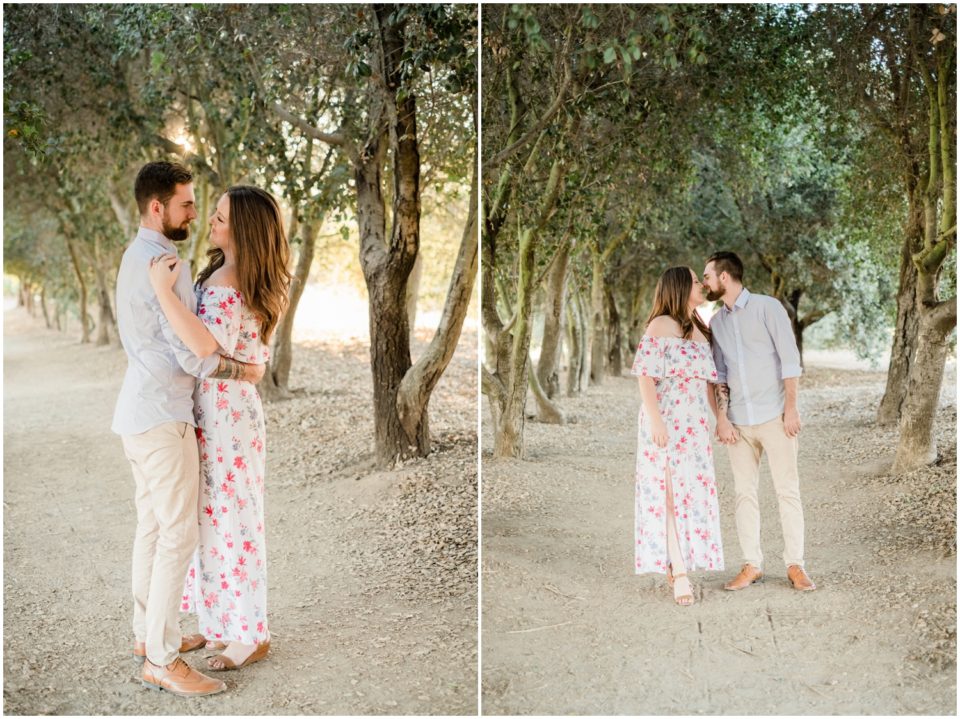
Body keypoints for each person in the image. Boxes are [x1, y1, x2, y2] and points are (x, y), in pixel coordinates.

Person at [113, 161, 264, 697]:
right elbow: (199, 352)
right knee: (177, 534)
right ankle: (161, 657)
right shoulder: (166, 267)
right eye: (187, 204)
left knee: (153, 528)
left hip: (136, 412)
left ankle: (145, 635)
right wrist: (246, 370)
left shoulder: (136, 257)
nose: (195, 214)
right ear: (158, 207)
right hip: (165, 415)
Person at [148, 184, 292, 671]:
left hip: (228, 417)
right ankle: (225, 623)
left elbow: (205, 346)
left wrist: (162, 294)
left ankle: (250, 633)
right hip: (221, 411)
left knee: (235, 524)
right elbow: (243, 357)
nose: (211, 219)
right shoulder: (229, 273)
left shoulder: (230, 280)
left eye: (223, 217)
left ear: (244, 229)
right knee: (214, 524)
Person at [702, 251, 815, 592]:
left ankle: (796, 565)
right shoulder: (716, 323)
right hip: (738, 424)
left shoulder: (769, 307)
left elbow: (789, 359)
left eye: (707, 276)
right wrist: (721, 418)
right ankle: (752, 564)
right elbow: (719, 374)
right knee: (743, 494)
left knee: (787, 492)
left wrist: (791, 409)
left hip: (775, 417)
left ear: (724, 277)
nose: (704, 282)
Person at [632, 266, 725, 605]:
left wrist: (721, 419)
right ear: (681, 287)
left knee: (691, 493)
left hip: (695, 425)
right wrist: (656, 421)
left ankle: (680, 559)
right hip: (667, 421)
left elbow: (710, 384)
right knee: (669, 494)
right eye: (697, 281)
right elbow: (645, 376)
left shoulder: (701, 327)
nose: (702, 285)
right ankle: (680, 572)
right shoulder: (660, 325)